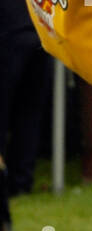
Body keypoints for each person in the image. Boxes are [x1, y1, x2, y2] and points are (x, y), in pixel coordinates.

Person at [0, 0, 53, 195]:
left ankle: (15, 181)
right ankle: (21, 182)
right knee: (29, 113)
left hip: (9, 30)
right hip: (39, 29)